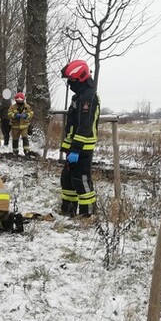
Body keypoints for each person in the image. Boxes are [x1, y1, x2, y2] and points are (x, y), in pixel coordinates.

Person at [59, 59, 101, 217]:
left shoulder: (88, 97)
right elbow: (73, 125)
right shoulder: (79, 96)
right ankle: (68, 209)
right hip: (75, 146)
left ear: (81, 78)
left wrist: (76, 149)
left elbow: (85, 126)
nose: (70, 84)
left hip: (83, 147)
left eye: (71, 80)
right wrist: (67, 145)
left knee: (81, 179)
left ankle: (87, 214)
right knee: (67, 179)